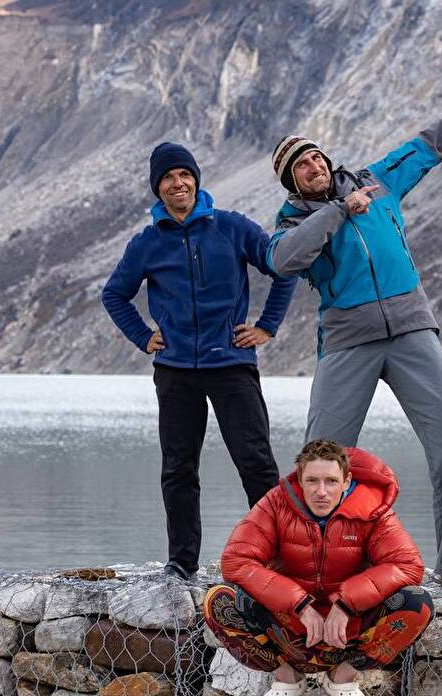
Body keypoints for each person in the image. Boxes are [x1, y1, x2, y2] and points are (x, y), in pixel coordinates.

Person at [265, 65, 442, 593]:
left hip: (411, 330)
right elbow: (284, 261)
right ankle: (315, 570)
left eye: (315, 156)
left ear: (326, 158)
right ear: (292, 181)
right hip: (347, 341)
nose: (313, 166)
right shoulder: (291, 223)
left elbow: (431, 143)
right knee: (322, 456)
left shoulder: (376, 180)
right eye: (300, 166)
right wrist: (339, 210)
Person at [102, 142, 297, 580]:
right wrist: (142, 335)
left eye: (184, 175)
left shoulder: (231, 227)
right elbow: (114, 294)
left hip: (231, 363)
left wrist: (266, 326)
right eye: (168, 178)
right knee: (178, 468)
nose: (178, 183)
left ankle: (278, 558)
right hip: (175, 372)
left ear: (196, 179)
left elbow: (282, 268)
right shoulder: (147, 243)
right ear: (158, 188)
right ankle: (181, 562)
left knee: (256, 462)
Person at [205, 439, 432, 696]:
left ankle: (343, 678)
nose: (321, 492)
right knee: (218, 600)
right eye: (312, 480)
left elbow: (408, 565)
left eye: (331, 481)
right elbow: (236, 560)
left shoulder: (373, 510)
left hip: (348, 635)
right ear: (300, 479)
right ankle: (286, 678)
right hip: (290, 632)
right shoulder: (276, 503)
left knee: (418, 603)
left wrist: (347, 603)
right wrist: (298, 603)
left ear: (346, 480)